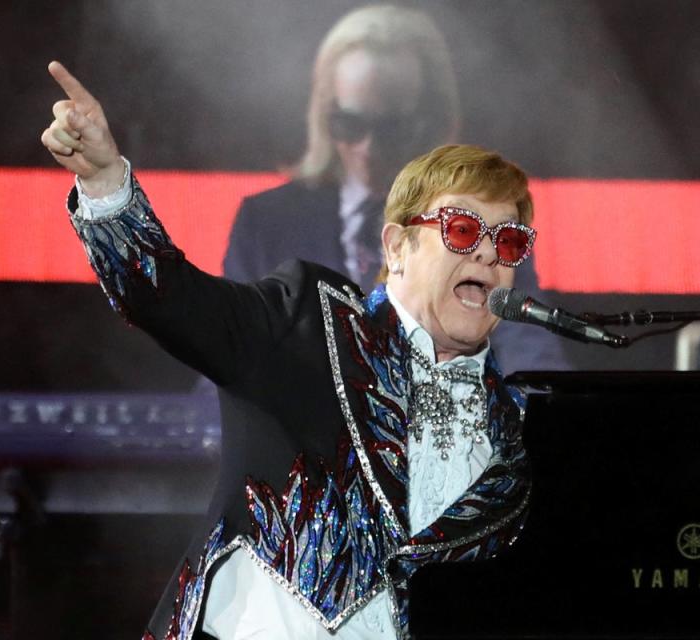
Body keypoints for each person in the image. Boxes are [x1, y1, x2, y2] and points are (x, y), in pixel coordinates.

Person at [42, 61, 531, 640]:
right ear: (398, 246)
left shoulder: (518, 431)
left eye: (507, 241)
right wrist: (104, 182)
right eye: (461, 232)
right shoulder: (307, 316)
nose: (486, 256)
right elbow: (170, 301)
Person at [223, 4, 572, 373]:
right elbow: (228, 362)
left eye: (392, 129)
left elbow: (527, 348)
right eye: (350, 124)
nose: (368, 149)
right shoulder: (265, 223)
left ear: (432, 119)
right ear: (325, 115)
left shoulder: (483, 219)